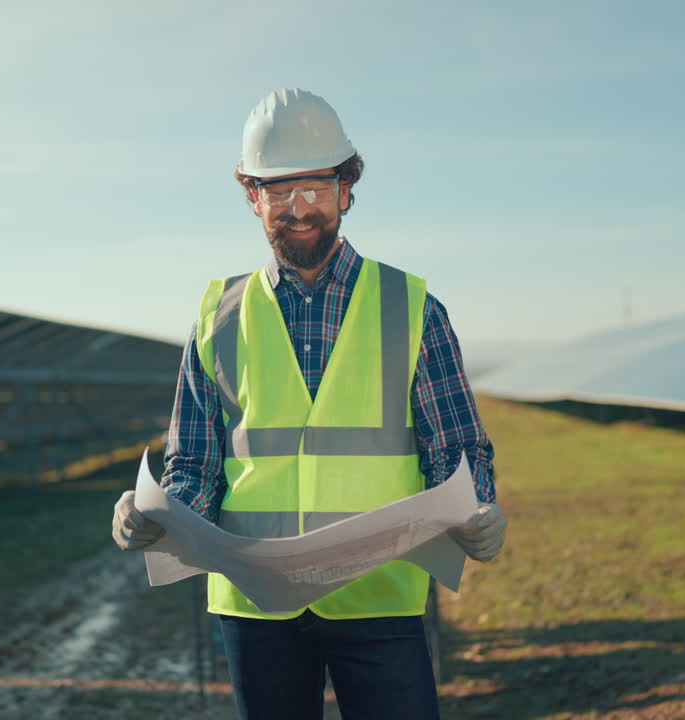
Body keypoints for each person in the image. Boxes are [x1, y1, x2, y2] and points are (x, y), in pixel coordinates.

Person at [111, 87, 506, 720]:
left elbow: (455, 449)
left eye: (317, 188)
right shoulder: (218, 316)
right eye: (278, 191)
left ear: (346, 190)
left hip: (379, 595)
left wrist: (478, 507)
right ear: (253, 198)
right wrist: (157, 514)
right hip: (255, 604)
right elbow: (194, 464)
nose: (300, 209)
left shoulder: (413, 308)